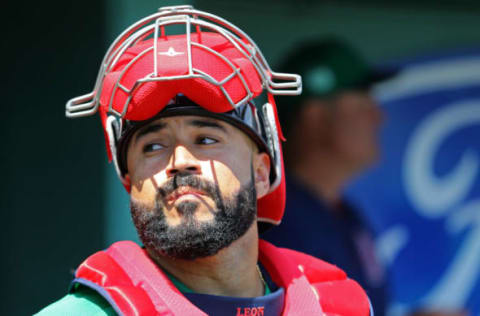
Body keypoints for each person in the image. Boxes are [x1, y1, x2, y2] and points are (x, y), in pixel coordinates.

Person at [35, 6, 372, 316]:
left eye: (206, 140)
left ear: (261, 172)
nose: (180, 161)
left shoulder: (336, 306)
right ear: (129, 181)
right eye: (153, 146)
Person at [262, 38, 468, 316]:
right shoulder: (275, 220)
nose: (378, 116)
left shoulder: (346, 214)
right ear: (316, 117)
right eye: (362, 103)